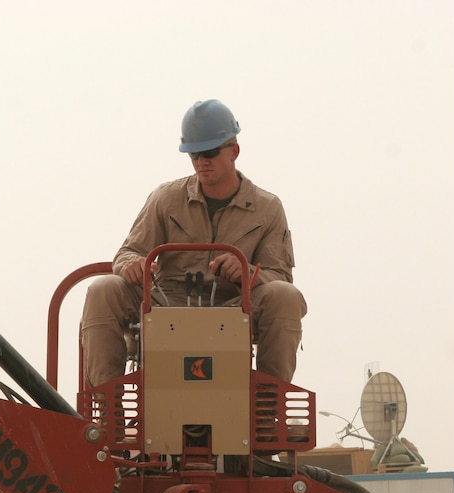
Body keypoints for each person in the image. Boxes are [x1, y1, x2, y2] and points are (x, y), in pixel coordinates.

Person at [81, 99, 307, 387]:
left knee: (285, 296)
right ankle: (108, 409)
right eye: (194, 154)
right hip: (166, 302)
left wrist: (248, 273)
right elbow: (128, 252)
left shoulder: (267, 208)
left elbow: (281, 277)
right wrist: (131, 266)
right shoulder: (166, 199)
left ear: (234, 151)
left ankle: (266, 410)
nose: (202, 162)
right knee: (103, 289)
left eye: (210, 153)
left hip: (234, 305)